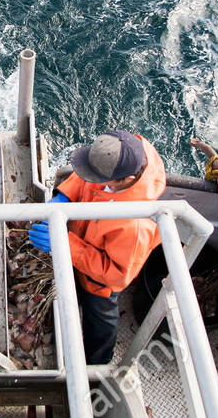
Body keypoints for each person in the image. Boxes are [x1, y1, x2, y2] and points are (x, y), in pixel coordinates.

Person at [29, 129, 166, 365]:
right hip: (79, 241)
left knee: (99, 319)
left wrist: (62, 243)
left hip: (97, 283)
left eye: (99, 179)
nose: (91, 178)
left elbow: (116, 277)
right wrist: (65, 196)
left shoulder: (136, 225)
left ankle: (98, 364)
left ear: (128, 181)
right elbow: (86, 174)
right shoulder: (123, 155)